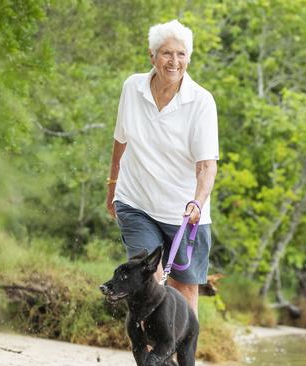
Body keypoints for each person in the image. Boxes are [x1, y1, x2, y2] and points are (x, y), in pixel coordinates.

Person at [105, 19, 219, 315]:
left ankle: (181, 353)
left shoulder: (201, 102)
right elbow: (121, 141)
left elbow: (206, 166)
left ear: (189, 58)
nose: (174, 61)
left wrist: (198, 202)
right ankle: (155, 353)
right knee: (149, 281)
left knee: (184, 288)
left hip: (184, 211)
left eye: (181, 54)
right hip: (136, 202)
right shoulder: (132, 87)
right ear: (151, 55)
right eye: (167, 53)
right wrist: (112, 186)